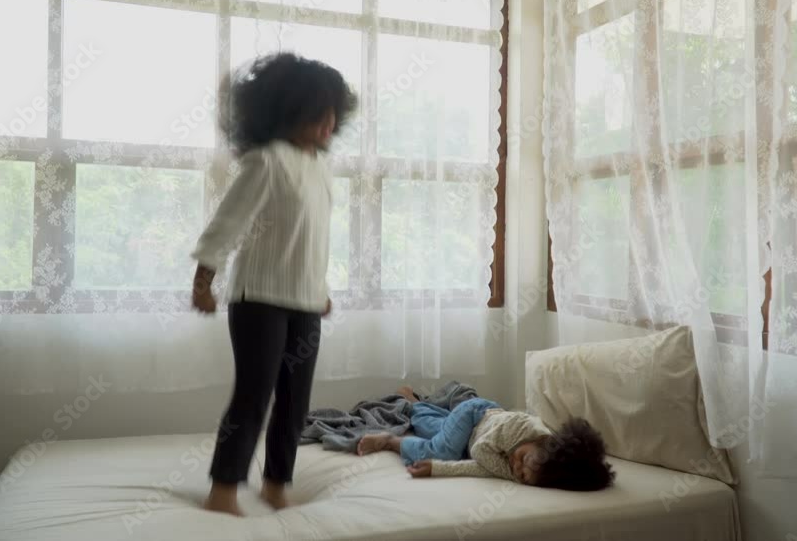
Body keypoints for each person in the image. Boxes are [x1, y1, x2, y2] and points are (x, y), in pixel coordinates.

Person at [190, 52, 357, 516]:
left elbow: (309, 238)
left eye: (332, 113)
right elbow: (226, 226)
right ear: (287, 112)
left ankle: (276, 484)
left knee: (295, 402)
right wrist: (203, 282)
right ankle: (223, 489)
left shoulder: (320, 168)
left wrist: (320, 290)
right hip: (259, 301)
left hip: (305, 303)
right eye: (317, 112)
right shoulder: (266, 161)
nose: (328, 122)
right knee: (253, 395)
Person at [357, 387, 616, 491]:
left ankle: (414, 402)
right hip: (474, 415)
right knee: (443, 450)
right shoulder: (521, 427)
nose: (515, 467)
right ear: (541, 441)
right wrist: (438, 463)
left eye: (522, 476)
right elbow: (481, 453)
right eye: (523, 459)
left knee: (433, 428)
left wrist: (437, 470)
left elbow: (481, 467)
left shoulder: (542, 467)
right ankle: (389, 440)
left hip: (472, 433)